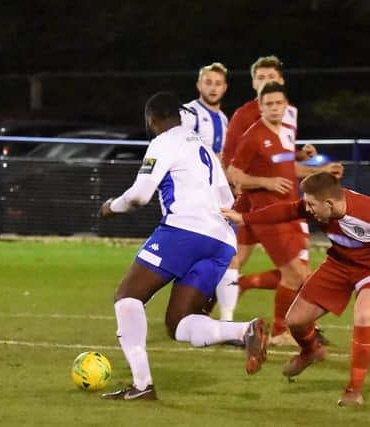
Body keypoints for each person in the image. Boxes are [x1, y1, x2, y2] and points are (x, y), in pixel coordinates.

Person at [222, 171, 370, 406]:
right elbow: (287, 210)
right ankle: (310, 351)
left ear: (329, 203)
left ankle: (354, 391)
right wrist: (245, 219)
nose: (307, 208)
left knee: (364, 314)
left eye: (312, 204)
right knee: (294, 321)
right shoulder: (318, 208)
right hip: (338, 265)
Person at [98, 92, 269, 401]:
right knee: (179, 323)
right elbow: (227, 201)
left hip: (184, 231)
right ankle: (244, 330)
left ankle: (142, 385)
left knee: (127, 297)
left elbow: (139, 195)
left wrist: (112, 206)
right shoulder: (202, 148)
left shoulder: (163, 142)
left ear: (151, 119)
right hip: (221, 240)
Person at [227, 82, 344, 346]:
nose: (275, 108)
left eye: (279, 103)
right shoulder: (253, 135)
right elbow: (234, 175)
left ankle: (253, 289)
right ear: (261, 107)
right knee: (296, 275)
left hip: (293, 211)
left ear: (285, 105)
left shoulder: (288, 131)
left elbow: (288, 167)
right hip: (268, 215)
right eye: (269, 104)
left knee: (302, 274)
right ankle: (282, 332)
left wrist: (320, 171)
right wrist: (265, 183)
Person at [221, 55, 318, 330]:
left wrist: (305, 161)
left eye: (271, 78)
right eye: (261, 78)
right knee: (238, 259)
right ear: (254, 84)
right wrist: (260, 184)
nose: (267, 82)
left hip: (287, 203)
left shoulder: (289, 117)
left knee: (296, 270)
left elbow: (281, 158)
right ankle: (226, 316)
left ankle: (241, 290)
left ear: (282, 82)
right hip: (257, 204)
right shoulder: (246, 119)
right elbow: (234, 163)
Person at [179, 62, 238, 321]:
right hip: (195, 197)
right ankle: (185, 310)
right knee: (193, 255)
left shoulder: (224, 118)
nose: (213, 88)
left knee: (228, 253)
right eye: (208, 82)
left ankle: (226, 319)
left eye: (218, 83)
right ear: (198, 85)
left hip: (219, 198)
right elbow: (177, 146)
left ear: (225, 88)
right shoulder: (189, 113)